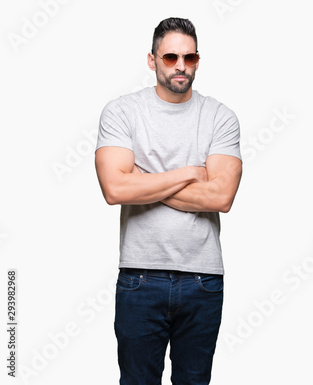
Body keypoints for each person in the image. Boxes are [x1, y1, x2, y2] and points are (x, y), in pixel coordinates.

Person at [94, 17, 242, 385]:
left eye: (189, 58)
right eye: (171, 56)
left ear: (197, 60)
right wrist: (189, 172)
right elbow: (115, 189)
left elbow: (221, 197)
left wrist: (143, 179)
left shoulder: (220, 117)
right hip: (140, 277)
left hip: (203, 279)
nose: (180, 65)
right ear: (152, 60)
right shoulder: (122, 112)